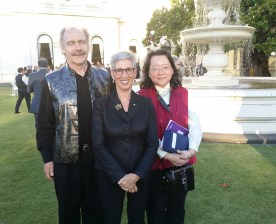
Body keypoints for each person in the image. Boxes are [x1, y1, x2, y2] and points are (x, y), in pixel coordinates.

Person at [36, 26, 111, 224]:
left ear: (88, 44)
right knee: (68, 214)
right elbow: (44, 122)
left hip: (99, 162)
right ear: (63, 48)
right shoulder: (51, 81)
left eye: (81, 42)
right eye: (71, 43)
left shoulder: (105, 77)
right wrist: (47, 158)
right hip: (65, 163)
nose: (77, 48)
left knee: (96, 213)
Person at [92, 51, 158, 224]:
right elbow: (98, 145)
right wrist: (122, 178)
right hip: (109, 174)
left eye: (128, 70)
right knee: (110, 218)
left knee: (137, 218)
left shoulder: (145, 104)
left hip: (140, 174)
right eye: (119, 70)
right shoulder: (101, 105)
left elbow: (152, 143)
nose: (124, 75)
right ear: (112, 73)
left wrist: (136, 175)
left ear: (135, 72)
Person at [138, 49, 203, 224]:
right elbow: (142, 132)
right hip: (154, 165)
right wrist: (165, 154)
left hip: (181, 163)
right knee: (155, 211)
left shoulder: (182, 93)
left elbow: (194, 122)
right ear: (148, 72)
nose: (161, 72)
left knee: (177, 210)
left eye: (165, 67)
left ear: (172, 69)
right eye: (155, 68)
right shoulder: (142, 97)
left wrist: (191, 151)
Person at [27, 58, 49, 127]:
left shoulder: (33, 75)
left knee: (39, 127)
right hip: (51, 105)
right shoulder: (53, 74)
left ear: (38, 66)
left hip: (37, 104)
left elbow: (29, 90)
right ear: (47, 65)